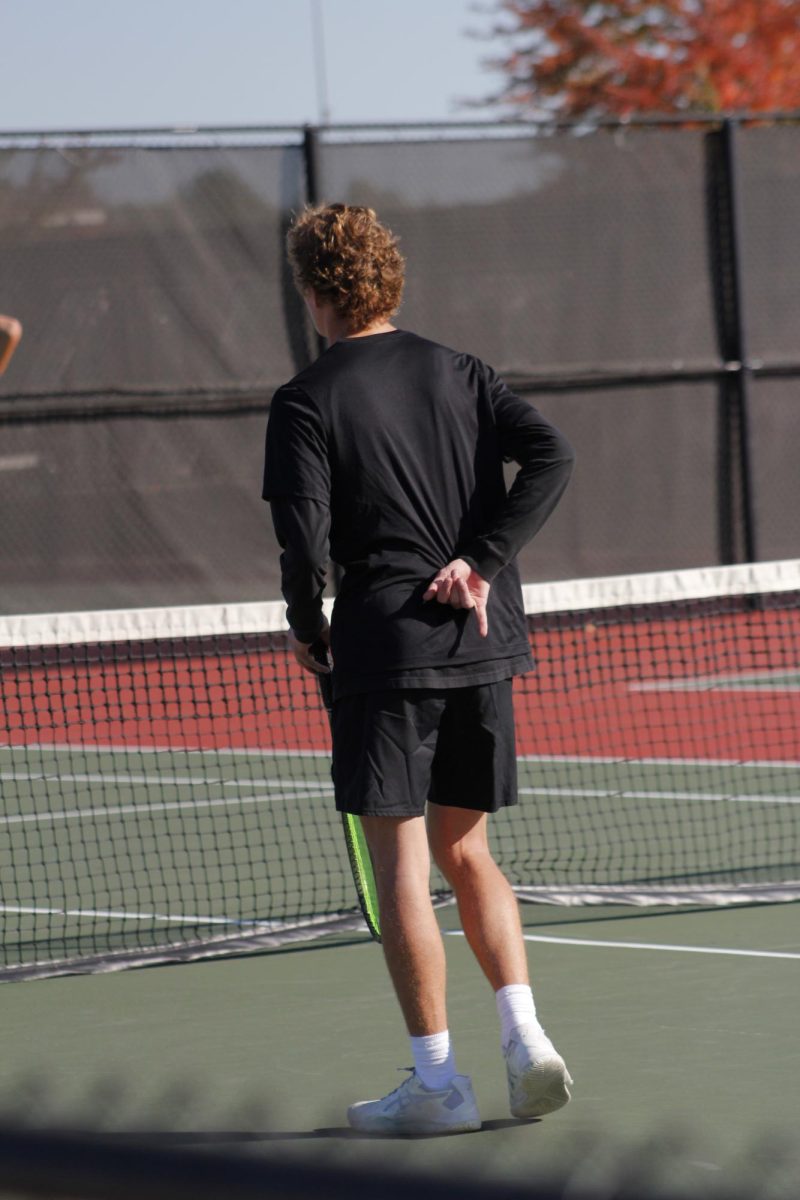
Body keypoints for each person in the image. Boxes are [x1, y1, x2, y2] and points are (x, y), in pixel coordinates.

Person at [263, 204, 575, 1136]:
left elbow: (302, 538)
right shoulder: (465, 372)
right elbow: (553, 456)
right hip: (479, 645)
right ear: (386, 282)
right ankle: (524, 1043)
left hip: (385, 650)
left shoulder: (305, 399)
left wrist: (305, 624)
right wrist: (482, 560)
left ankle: (438, 1083)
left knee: (402, 865)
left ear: (316, 293)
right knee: (466, 848)